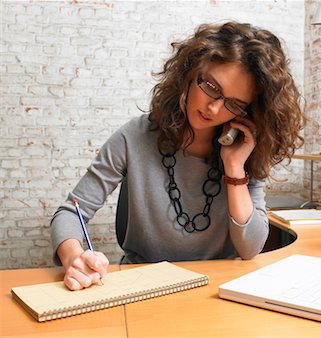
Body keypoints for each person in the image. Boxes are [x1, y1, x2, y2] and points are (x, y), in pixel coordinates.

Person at [51, 21, 306, 291]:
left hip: (218, 288)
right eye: (211, 86)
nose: (214, 107)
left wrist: (234, 169)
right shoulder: (133, 137)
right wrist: (74, 257)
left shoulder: (245, 153)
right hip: (143, 285)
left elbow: (250, 248)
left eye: (233, 103)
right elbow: (69, 213)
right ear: (190, 72)